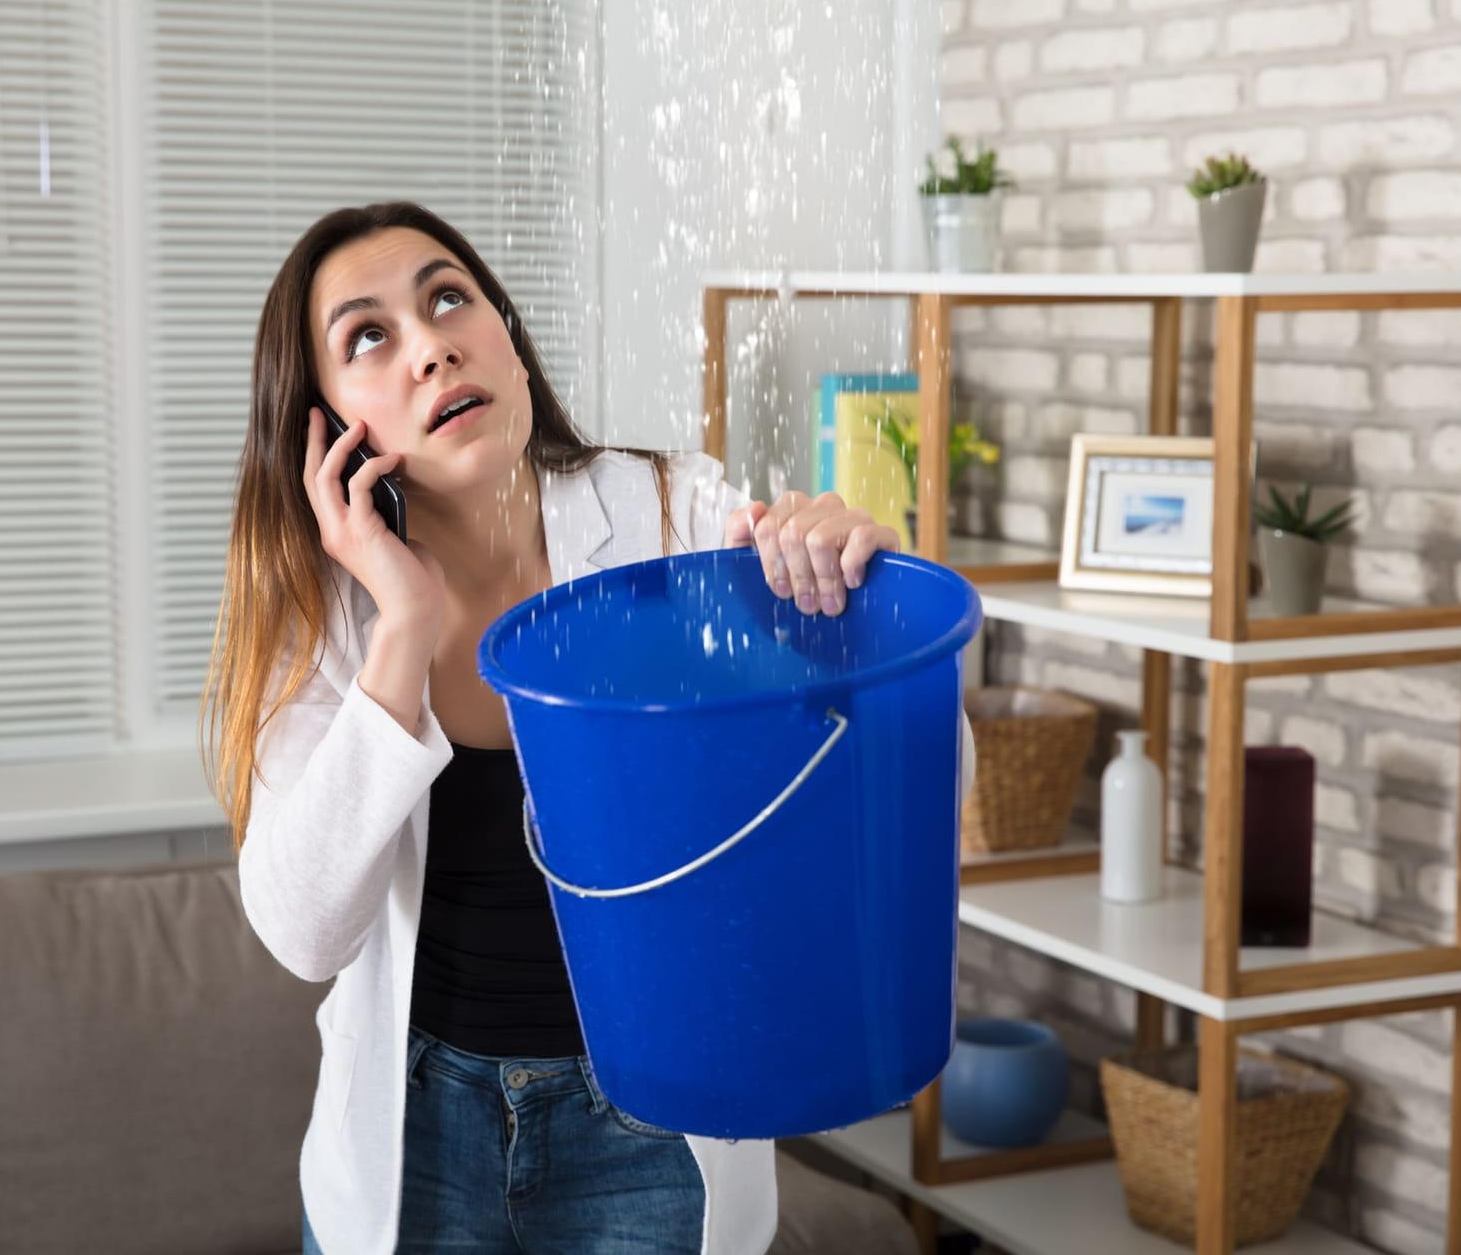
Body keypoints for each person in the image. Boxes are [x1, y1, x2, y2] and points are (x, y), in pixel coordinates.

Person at [203, 201, 932, 1255]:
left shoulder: (679, 517)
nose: (432, 345)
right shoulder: (321, 613)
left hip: (652, 1121)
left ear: (506, 333)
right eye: (369, 335)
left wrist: (863, 617)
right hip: (416, 1131)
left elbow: (899, 796)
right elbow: (305, 931)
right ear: (324, 422)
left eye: (449, 297)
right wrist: (402, 626)